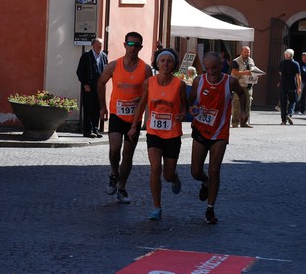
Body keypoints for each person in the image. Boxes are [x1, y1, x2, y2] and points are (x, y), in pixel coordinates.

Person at [128, 48, 187, 220]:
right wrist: (134, 125)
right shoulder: (149, 83)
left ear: (173, 64)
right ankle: (156, 207)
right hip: (154, 132)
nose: (166, 64)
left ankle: (174, 177)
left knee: (167, 175)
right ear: (157, 63)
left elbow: (184, 105)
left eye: (169, 61)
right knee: (155, 168)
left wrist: (182, 114)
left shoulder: (179, 84)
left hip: (172, 134)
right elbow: (141, 104)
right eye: (163, 61)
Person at [188, 51, 246, 224]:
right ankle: (205, 182)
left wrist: (242, 111)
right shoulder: (199, 80)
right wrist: (191, 108)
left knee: (215, 170)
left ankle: (210, 209)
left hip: (219, 132)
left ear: (221, 65)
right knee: (195, 171)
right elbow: (191, 101)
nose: (211, 72)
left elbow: (242, 94)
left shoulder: (231, 81)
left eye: (214, 68)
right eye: (208, 68)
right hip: (200, 129)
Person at [98, 32, 152, 204]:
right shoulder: (114, 66)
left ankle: (122, 188)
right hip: (116, 114)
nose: (133, 47)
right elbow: (100, 82)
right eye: (130, 44)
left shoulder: (145, 69)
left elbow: (151, 92)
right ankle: (114, 173)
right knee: (115, 149)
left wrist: (148, 117)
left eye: (136, 45)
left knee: (127, 155)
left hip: (134, 119)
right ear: (124, 45)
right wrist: (102, 107)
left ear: (141, 48)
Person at [76, 38, 108, 138]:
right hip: (89, 87)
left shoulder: (103, 56)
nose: (99, 47)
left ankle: (95, 128)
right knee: (88, 109)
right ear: (93, 45)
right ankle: (87, 130)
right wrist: (85, 84)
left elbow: (106, 70)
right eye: (98, 45)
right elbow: (80, 72)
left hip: (99, 87)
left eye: (101, 46)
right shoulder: (86, 56)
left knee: (97, 109)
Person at [230, 46, 256, 128]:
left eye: (248, 52)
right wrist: (246, 73)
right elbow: (234, 72)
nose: (247, 53)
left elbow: (253, 70)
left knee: (247, 104)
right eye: (245, 52)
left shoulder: (251, 60)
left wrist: (257, 74)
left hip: (249, 85)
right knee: (237, 105)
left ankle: (244, 122)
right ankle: (235, 122)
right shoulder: (236, 61)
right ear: (241, 52)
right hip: (239, 85)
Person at [278, 49, 301, 125]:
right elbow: (298, 76)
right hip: (292, 85)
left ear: (285, 55)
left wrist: (281, 81)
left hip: (283, 85)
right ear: (292, 55)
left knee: (283, 103)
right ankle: (289, 114)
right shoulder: (296, 64)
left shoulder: (282, 63)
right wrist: (299, 87)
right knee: (293, 101)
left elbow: (280, 73)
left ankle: (283, 121)